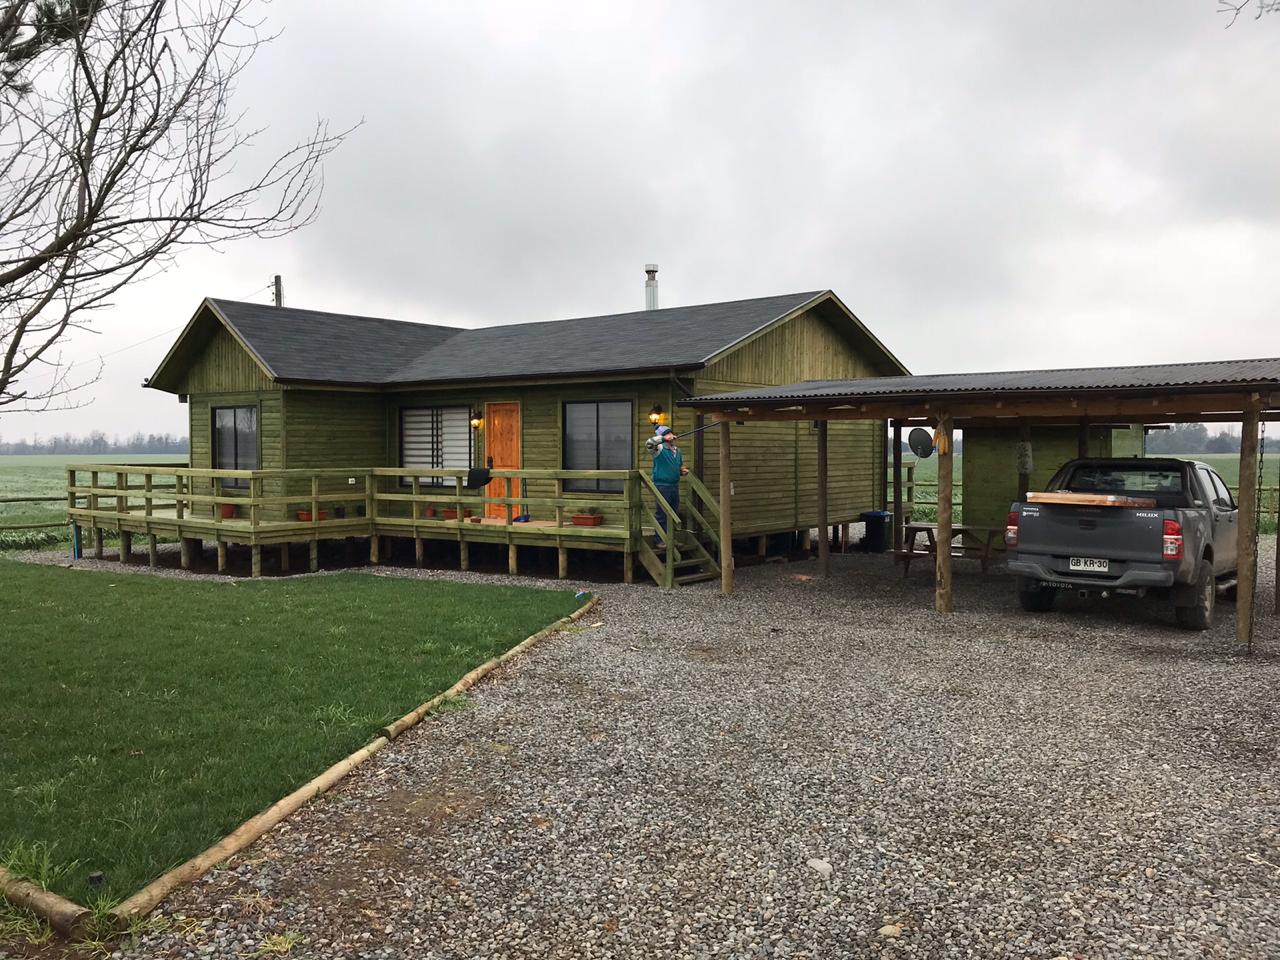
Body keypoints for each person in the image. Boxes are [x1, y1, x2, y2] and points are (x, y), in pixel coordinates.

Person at [648, 425, 688, 545]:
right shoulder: (658, 449)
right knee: (662, 513)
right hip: (662, 485)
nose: (670, 435)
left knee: (673, 513)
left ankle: (670, 539)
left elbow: (680, 465)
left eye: (670, 433)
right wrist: (663, 439)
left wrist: (682, 470)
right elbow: (649, 443)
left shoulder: (677, 450)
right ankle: (659, 540)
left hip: (674, 485)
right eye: (667, 434)